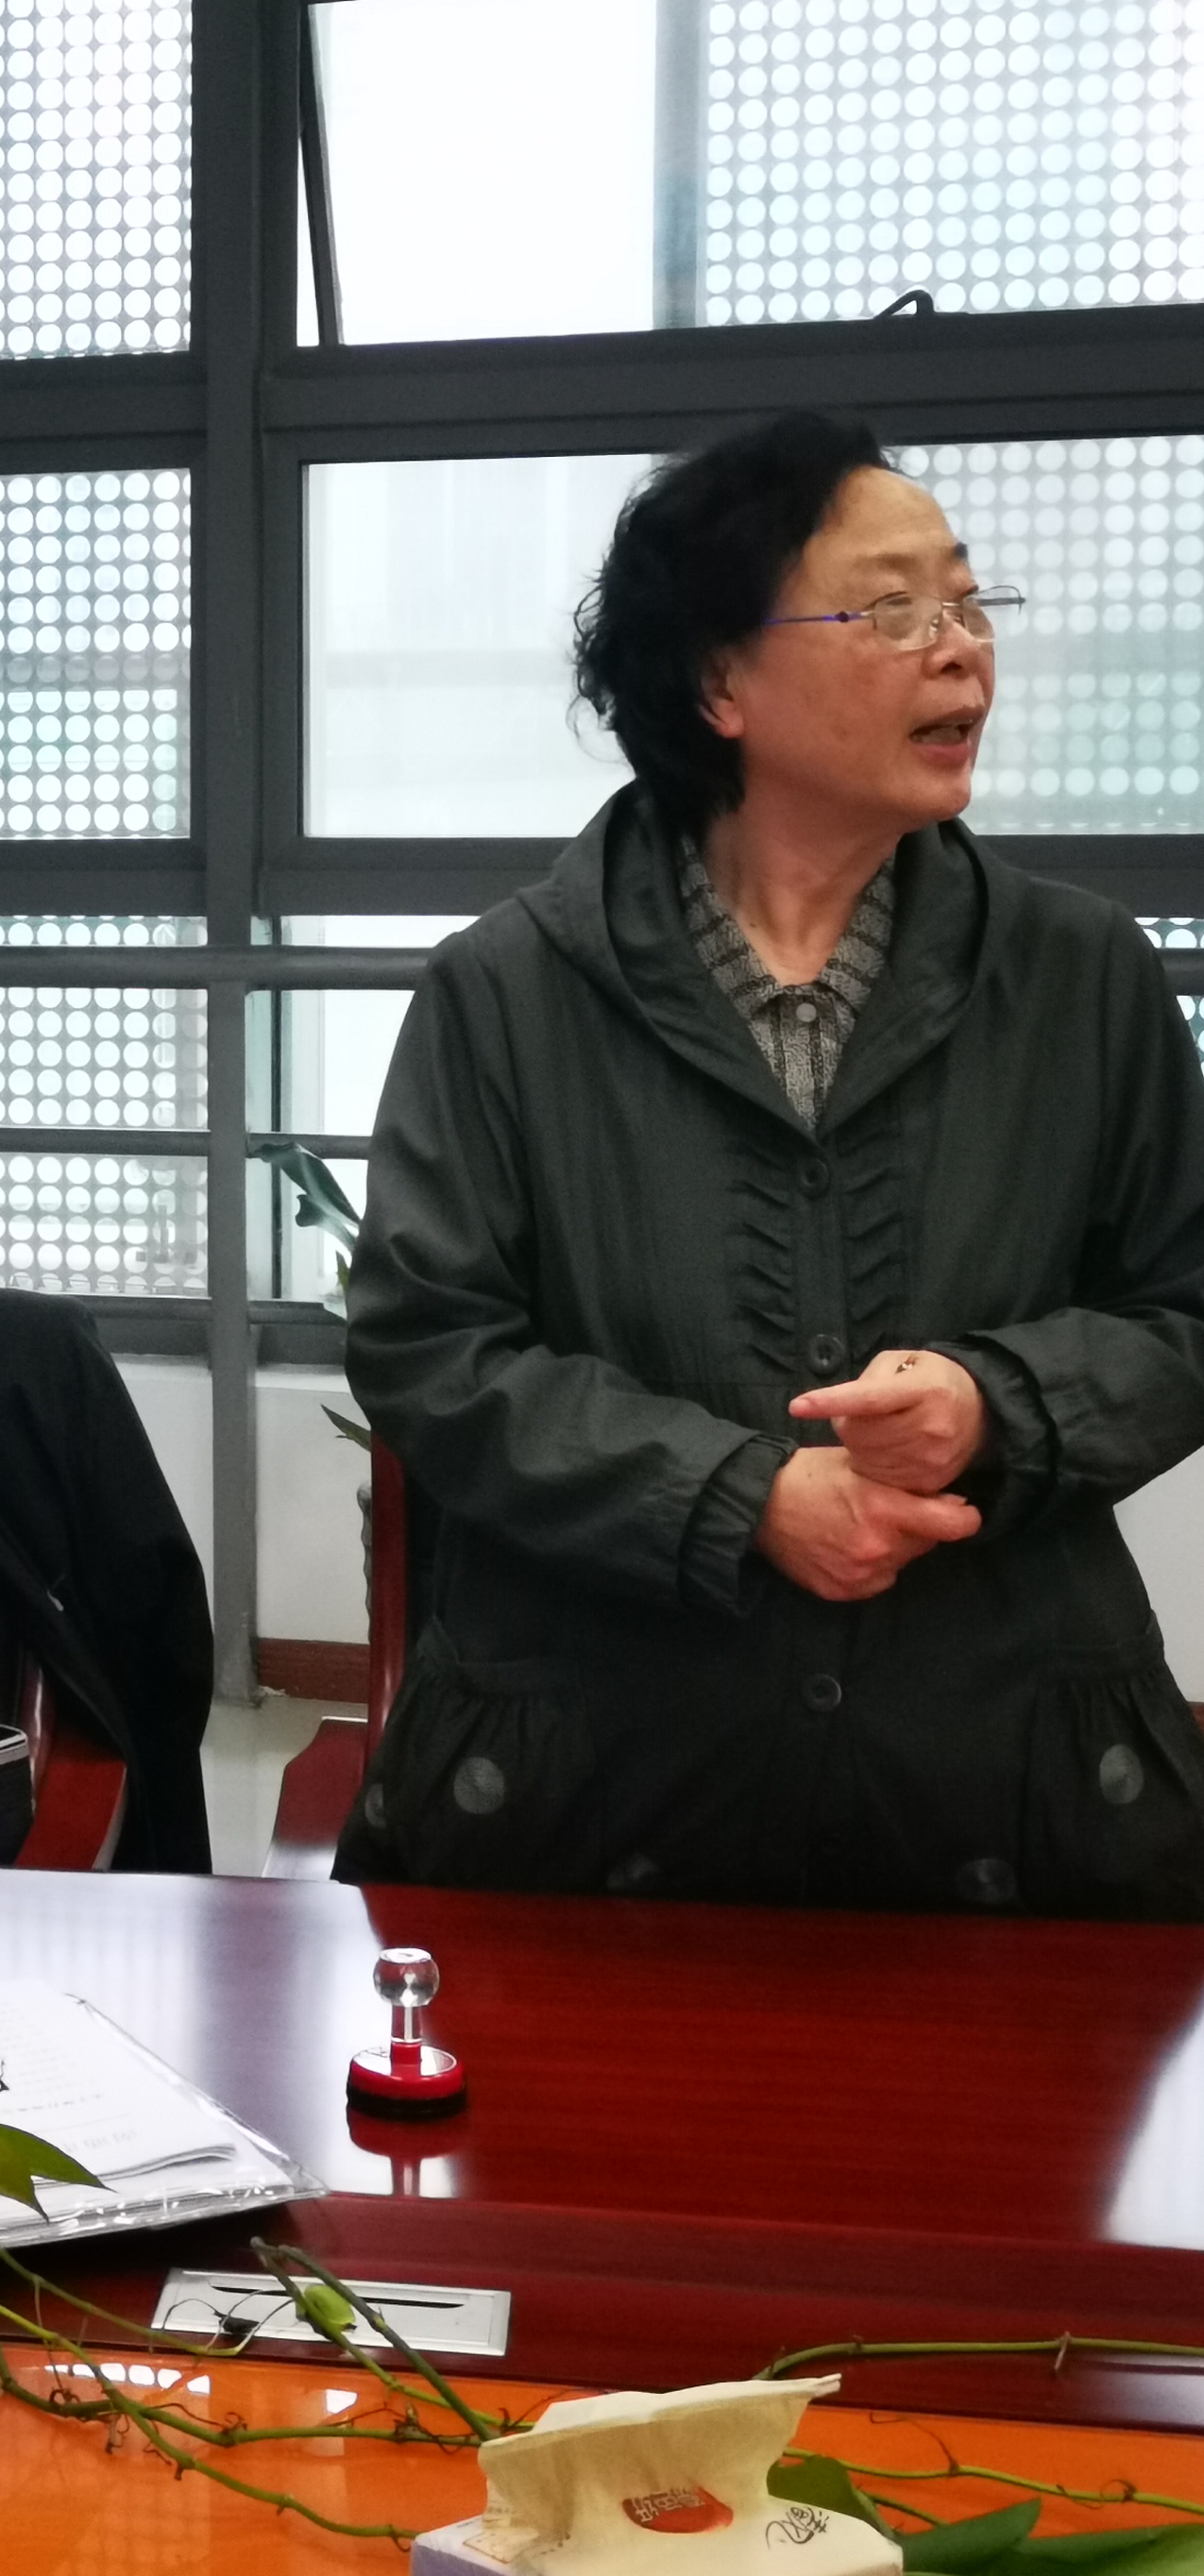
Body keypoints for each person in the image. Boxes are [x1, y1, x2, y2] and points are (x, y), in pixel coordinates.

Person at [342, 412, 1204, 1915]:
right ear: (719, 681)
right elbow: (430, 1351)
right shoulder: (507, 992)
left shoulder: (1084, 976)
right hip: (593, 1814)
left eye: (968, 602)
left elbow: (1185, 1311)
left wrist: (991, 1406)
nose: (961, 652)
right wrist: (741, 1500)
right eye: (892, 611)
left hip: (1011, 1813)